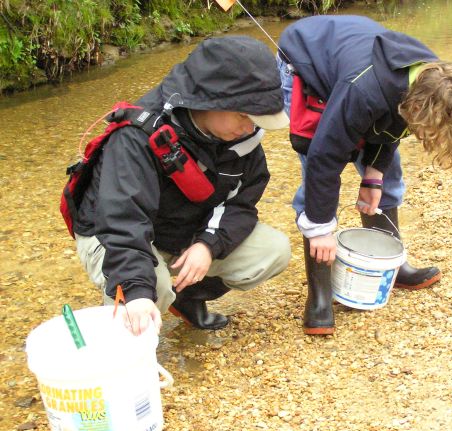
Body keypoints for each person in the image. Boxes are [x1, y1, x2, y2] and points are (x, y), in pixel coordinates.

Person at [277, 15, 452, 335]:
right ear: (418, 107)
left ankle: (393, 265)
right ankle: (319, 297)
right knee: (318, 177)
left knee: (389, 176)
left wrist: (373, 175)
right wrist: (321, 228)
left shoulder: (432, 81)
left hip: (353, 63)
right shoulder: (364, 91)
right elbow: (325, 157)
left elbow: (395, 125)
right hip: (305, 63)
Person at [71, 36, 291, 335]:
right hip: (111, 231)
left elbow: (240, 205)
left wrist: (208, 245)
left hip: (180, 226)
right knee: (148, 289)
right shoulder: (136, 137)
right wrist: (136, 291)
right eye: (244, 115)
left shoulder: (243, 140)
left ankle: (186, 297)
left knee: (274, 250)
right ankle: (123, 335)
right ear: (211, 101)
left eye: (257, 118)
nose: (250, 127)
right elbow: (122, 219)